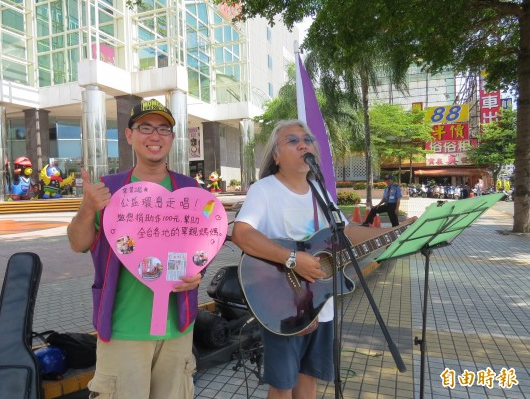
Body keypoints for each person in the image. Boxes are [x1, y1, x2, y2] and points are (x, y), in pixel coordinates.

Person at [67, 99, 201, 399]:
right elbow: (78, 243)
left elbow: (200, 248)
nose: (155, 136)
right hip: (122, 328)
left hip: (177, 329)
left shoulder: (190, 189)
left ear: (172, 138)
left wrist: (197, 275)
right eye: (145, 127)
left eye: (164, 129)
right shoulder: (108, 189)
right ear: (129, 135)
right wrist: (88, 209)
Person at [231, 119, 370, 399]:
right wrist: (293, 259)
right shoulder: (265, 190)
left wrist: (400, 230)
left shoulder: (320, 191)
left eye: (307, 139)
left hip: (321, 302)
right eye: (292, 140)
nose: (303, 144)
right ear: (276, 156)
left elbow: (348, 233)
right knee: (283, 385)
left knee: (309, 379)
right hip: (284, 304)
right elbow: (242, 234)